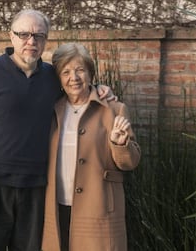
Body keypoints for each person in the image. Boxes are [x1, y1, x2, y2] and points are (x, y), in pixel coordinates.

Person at [0, 9, 114, 251]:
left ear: (46, 40)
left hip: (36, 189)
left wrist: (99, 89)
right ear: (11, 36)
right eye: (23, 34)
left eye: (38, 36)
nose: (31, 41)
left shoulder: (51, 77)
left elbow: (77, 86)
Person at [41, 43, 141, 251]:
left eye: (80, 70)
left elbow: (130, 162)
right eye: (66, 72)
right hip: (56, 209)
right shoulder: (50, 110)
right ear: (59, 78)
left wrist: (120, 144)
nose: (74, 77)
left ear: (90, 74)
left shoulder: (113, 109)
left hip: (99, 211)